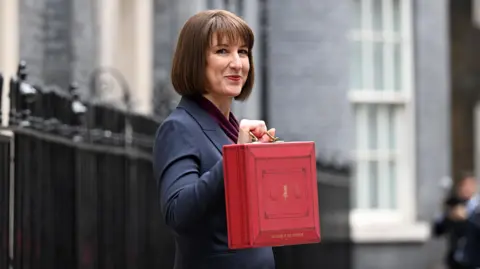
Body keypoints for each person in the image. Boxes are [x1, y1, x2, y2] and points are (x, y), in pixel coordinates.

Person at [152, 10, 276, 269]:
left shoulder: (232, 129)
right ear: (195, 61)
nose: (237, 63)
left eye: (242, 52)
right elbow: (178, 212)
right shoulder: (179, 127)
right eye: (222, 51)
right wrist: (238, 158)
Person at [432, 172, 478, 269]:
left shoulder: (477, 208)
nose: (466, 189)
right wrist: (450, 216)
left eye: (470, 185)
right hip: (455, 261)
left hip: (474, 260)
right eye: (463, 185)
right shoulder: (453, 206)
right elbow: (437, 230)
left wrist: (467, 218)